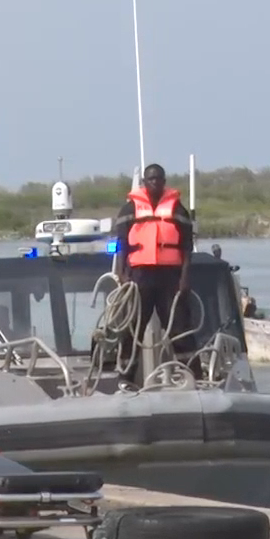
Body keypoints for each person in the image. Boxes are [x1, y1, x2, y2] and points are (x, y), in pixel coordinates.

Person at [113, 163, 200, 384]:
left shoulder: (178, 210)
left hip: (170, 276)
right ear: (144, 181)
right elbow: (121, 244)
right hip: (139, 275)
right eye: (150, 179)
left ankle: (194, 377)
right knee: (132, 328)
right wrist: (123, 275)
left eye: (158, 179)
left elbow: (187, 246)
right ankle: (126, 378)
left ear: (164, 181)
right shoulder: (129, 210)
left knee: (179, 327)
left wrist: (184, 278)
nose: (155, 183)